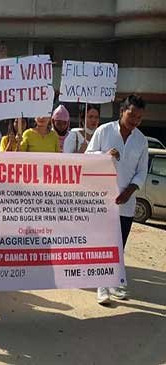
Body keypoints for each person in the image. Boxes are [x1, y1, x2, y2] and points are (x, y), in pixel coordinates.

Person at [86, 95, 149, 305]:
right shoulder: (104, 131)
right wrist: (104, 155)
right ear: (122, 111)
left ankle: (114, 283)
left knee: (119, 247)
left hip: (126, 204)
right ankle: (102, 287)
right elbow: (87, 157)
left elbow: (141, 172)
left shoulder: (141, 140)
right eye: (132, 115)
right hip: (102, 201)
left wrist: (129, 191)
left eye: (139, 118)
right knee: (103, 244)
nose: (135, 121)